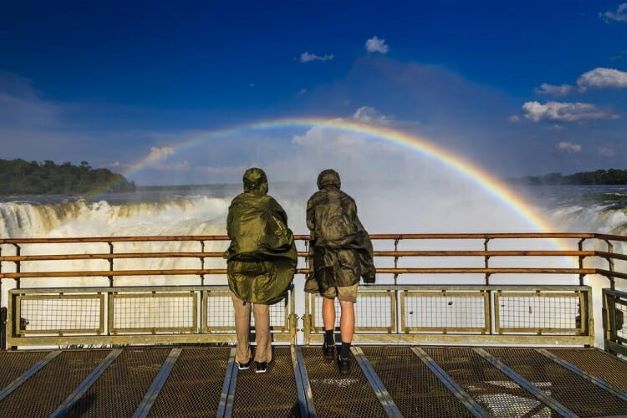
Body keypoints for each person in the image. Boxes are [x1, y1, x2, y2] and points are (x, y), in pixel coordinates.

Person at [225, 168, 297, 373]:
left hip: (238, 264)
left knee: (241, 312)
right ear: (264, 183)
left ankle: (242, 358)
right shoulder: (268, 203)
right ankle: (262, 359)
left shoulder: (236, 203)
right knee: (261, 309)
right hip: (263, 264)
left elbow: (230, 231)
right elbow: (282, 230)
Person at [305, 169, 375, 375]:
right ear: (338, 182)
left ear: (320, 182)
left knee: (328, 299)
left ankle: (328, 343)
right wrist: (369, 271)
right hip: (348, 261)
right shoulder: (349, 201)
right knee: (347, 306)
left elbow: (311, 225)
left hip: (324, 258)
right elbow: (359, 233)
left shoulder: (313, 200)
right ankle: (344, 356)